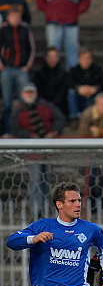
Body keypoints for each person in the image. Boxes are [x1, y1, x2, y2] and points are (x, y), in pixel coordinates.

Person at [11, 84, 65, 218]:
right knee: (36, 180)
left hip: (47, 148)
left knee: (47, 180)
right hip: (31, 151)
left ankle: (46, 209)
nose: (29, 95)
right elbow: (14, 129)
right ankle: (36, 211)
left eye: (31, 92)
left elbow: (60, 119)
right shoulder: (18, 110)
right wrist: (29, 135)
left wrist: (53, 131)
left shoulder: (46, 106)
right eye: (27, 93)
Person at [36, 0, 91, 70]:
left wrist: (76, 12)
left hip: (71, 23)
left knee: (72, 50)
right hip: (53, 22)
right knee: (52, 50)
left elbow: (85, 0)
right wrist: (48, 12)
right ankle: (52, 73)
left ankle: (72, 74)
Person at [0, 4, 35, 130]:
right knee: (7, 100)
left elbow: (32, 48)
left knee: (24, 101)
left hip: (22, 69)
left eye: (18, 16)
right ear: (8, 17)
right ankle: (7, 130)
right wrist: (1, 65)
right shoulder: (3, 29)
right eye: (13, 16)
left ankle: (23, 129)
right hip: (7, 69)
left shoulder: (25, 28)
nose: (15, 19)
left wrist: (28, 65)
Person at [67, 49, 103, 121]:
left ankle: (98, 117)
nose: (85, 61)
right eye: (83, 58)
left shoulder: (97, 69)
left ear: (91, 59)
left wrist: (95, 88)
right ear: (79, 60)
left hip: (93, 96)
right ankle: (74, 118)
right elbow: (68, 82)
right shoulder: (74, 70)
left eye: (88, 58)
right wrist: (78, 88)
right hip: (80, 98)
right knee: (71, 92)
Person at [33, 47, 70, 117]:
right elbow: (38, 91)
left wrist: (53, 105)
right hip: (43, 105)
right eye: (50, 57)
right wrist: (46, 104)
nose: (52, 59)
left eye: (55, 57)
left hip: (59, 106)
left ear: (58, 58)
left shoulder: (64, 74)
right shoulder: (38, 74)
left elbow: (62, 92)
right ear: (46, 58)